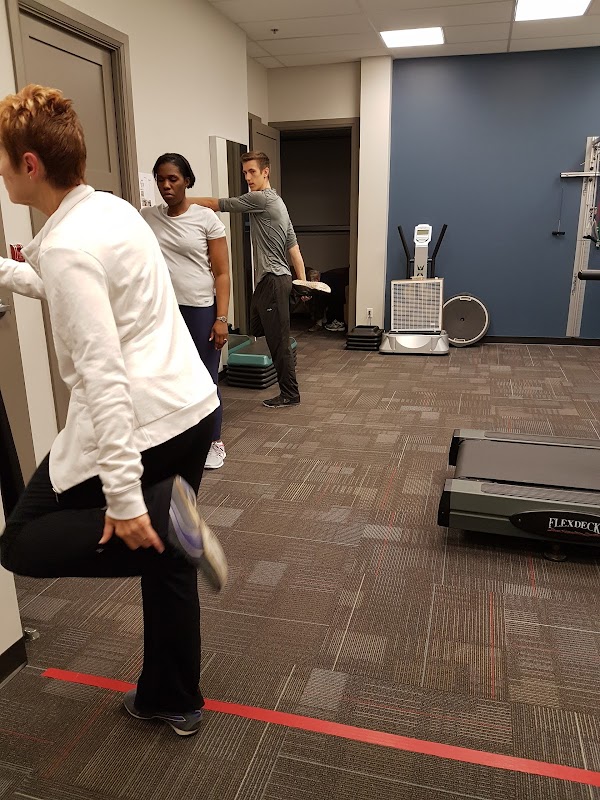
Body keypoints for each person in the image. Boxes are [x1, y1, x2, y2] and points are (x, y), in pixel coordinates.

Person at [0, 84, 227, 737]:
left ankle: (161, 518)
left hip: (142, 418)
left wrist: (128, 502)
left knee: (23, 540)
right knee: (169, 565)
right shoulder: (113, 212)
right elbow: (89, 291)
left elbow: (102, 377)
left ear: (30, 165)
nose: (2, 172)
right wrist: (9, 272)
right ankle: (171, 697)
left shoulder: (67, 245)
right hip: (191, 407)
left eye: (4, 161)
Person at [190, 151, 306, 408]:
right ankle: (288, 384)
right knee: (258, 328)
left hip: (273, 280)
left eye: (252, 172)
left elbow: (216, 203)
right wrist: (303, 282)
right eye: (245, 173)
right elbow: (294, 248)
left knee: (278, 341)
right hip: (272, 282)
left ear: (266, 172)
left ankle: (290, 393)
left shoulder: (261, 199)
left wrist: (180, 200)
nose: (248, 178)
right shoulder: (279, 202)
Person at [141, 153, 230, 470]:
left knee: (205, 379)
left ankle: (214, 442)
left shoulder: (206, 219)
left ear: (187, 181)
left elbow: (222, 273)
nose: (165, 185)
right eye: (160, 179)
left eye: (173, 179)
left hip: (200, 310)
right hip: (163, 311)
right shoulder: (147, 217)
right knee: (167, 379)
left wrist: (221, 319)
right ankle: (178, 440)